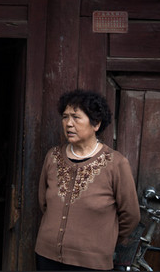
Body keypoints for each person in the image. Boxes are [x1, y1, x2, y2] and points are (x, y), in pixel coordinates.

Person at [34, 89, 140, 271]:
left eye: (76, 117)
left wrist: (104, 241)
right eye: (65, 117)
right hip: (46, 255)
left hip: (91, 263)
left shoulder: (116, 163)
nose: (68, 124)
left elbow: (130, 216)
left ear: (96, 124)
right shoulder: (52, 157)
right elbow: (44, 203)